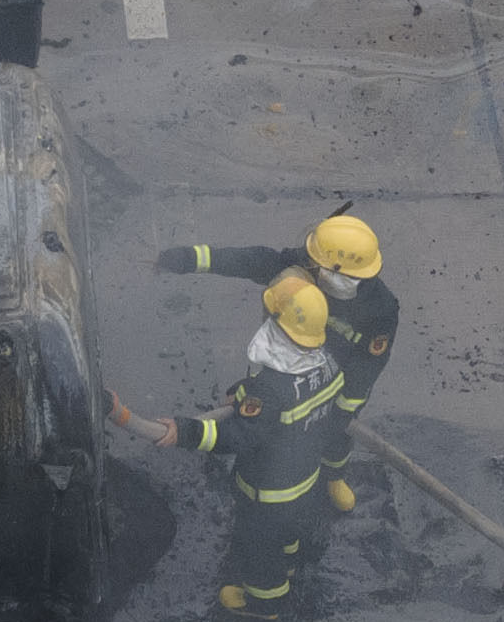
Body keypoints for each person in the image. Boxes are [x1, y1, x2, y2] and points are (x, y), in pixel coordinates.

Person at [109, 280, 345, 617]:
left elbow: (234, 436)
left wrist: (184, 432)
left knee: (259, 549)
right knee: (287, 537)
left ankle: (264, 602)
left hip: (269, 496)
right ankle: (289, 566)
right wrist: (249, 390)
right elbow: (290, 391)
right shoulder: (329, 367)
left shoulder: (271, 394)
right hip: (306, 481)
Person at [155, 214, 399, 512]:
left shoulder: (381, 309)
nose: (308, 266)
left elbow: (369, 365)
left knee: (335, 436)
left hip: (334, 382)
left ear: (344, 275)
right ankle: (260, 466)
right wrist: (191, 259)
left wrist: (345, 407)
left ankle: (334, 477)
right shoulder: (309, 265)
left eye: (316, 264)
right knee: (269, 433)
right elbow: (254, 261)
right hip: (281, 370)